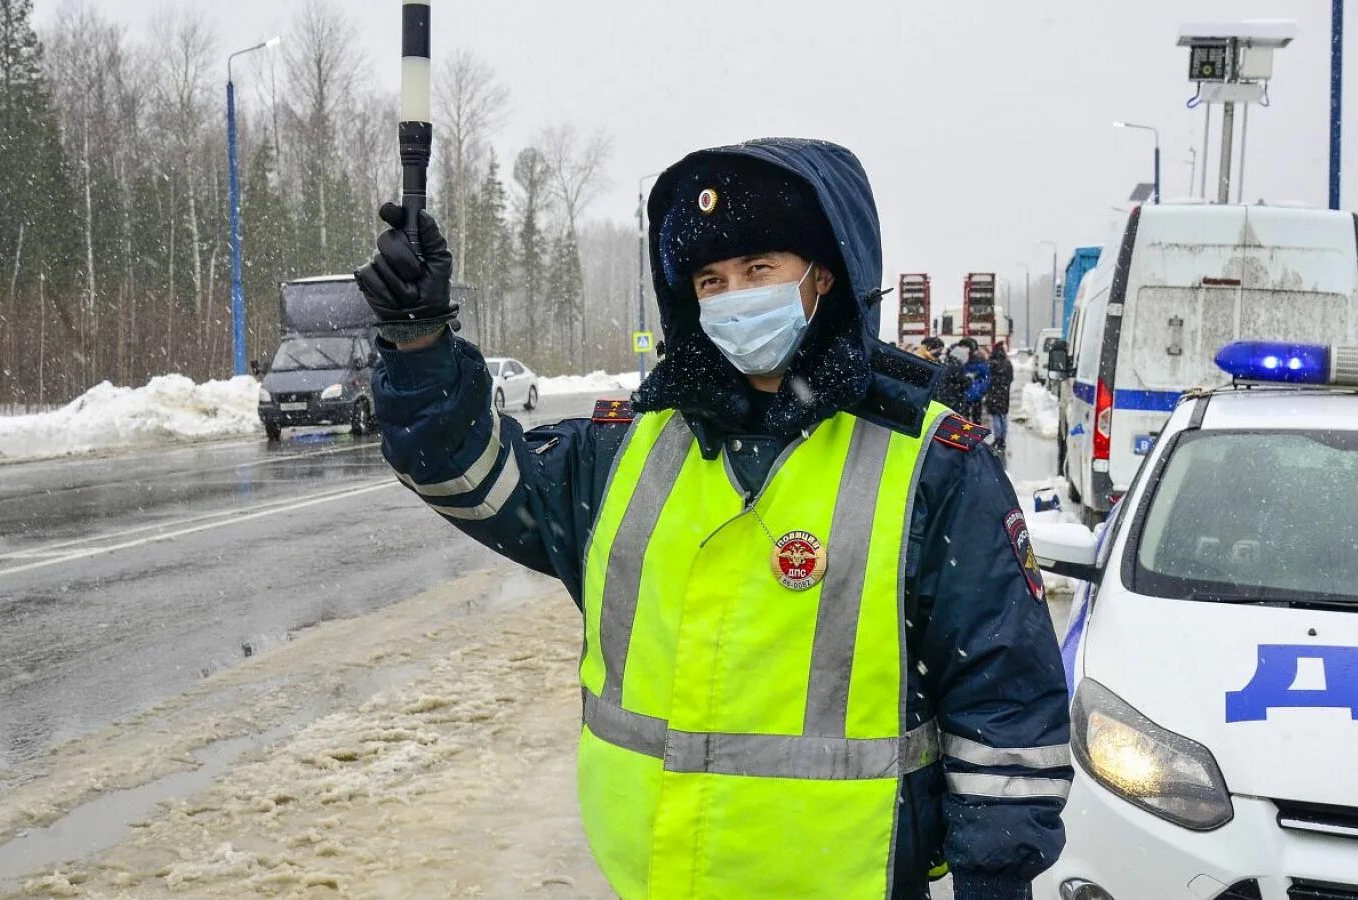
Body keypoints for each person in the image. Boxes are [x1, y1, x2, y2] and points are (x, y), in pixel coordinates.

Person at [357, 138, 1071, 900]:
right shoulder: (622, 449)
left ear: (823, 277)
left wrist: (993, 882)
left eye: (759, 270)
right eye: (711, 278)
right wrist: (420, 342)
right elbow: (467, 474)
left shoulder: (932, 464)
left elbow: (1006, 705)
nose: (734, 295)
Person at [986, 341, 1014, 453]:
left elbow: (988, 379)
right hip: (1005, 392)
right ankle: (1003, 439)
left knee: (996, 416)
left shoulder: (992, 363)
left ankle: (997, 438)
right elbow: (1011, 378)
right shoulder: (1008, 363)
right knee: (1003, 416)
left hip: (994, 392)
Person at [960, 340, 991, 426]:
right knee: (963, 422)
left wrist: (980, 390)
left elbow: (986, 377)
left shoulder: (980, 361)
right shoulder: (959, 361)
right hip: (963, 396)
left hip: (975, 396)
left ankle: (974, 438)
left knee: (976, 422)